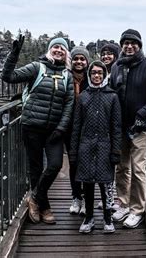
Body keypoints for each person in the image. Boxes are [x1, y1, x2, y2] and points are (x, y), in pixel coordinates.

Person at [2, 36, 74, 225]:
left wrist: (61, 127)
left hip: (54, 130)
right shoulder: (37, 67)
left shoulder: (67, 75)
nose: (59, 50)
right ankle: (44, 206)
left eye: (62, 48)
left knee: (55, 165)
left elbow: (69, 104)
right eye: (55, 47)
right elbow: (8, 77)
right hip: (32, 126)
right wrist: (14, 54)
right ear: (50, 49)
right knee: (36, 169)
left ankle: (34, 198)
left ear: (66, 54)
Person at [110, 29, 146, 228]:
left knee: (138, 169)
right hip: (121, 126)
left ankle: (137, 210)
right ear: (122, 45)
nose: (129, 46)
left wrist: (143, 112)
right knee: (122, 167)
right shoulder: (117, 67)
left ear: (139, 45)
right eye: (125, 43)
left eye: (133, 43)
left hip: (141, 128)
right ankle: (123, 203)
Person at [69, 60, 122, 234]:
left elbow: (116, 127)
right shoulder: (83, 96)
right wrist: (74, 152)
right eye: (93, 73)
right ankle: (89, 218)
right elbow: (76, 126)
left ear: (105, 74)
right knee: (88, 185)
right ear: (89, 75)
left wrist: (115, 151)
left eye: (100, 72)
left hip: (105, 147)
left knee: (106, 185)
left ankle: (107, 219)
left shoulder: (112, 96)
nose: (97, 76)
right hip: (86, 147)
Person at [65, 47, 90, 215]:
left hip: (88, 128)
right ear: (71, 61)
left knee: (87, 163)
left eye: (82, 59)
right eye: (76, 59)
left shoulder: (92, 78)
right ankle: (76, 197)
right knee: (74, 162)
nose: (79, 62)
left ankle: (87, 199)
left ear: (87, 61)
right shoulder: (65, 78)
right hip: (69, 127)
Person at [96, 42, 120, 211]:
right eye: (103, 53)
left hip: (114, 122)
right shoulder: (99, 72)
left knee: (114, 163)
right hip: (99, 123)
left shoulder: (119, 72)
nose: (106, 56)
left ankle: (112, 198)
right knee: (104, 162)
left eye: (109, 53)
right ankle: (106, 197)